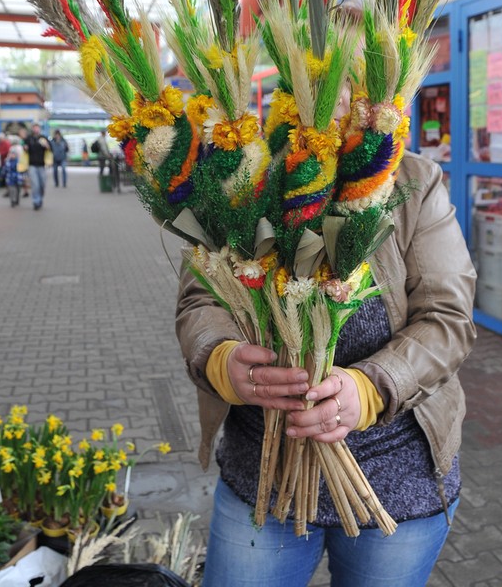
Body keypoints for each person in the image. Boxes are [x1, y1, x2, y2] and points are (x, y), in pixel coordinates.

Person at [175, 152, 476, 587]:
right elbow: (199, 300)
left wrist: (372, 388)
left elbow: (447, 317)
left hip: (396, 481)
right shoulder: (238, 169)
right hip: (261, 474)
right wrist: (222, 360)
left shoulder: (414, 180)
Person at [23, 122, 52, 211]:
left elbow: (51, 148)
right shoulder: (29, 139)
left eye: (37, 128)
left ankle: (40, 198)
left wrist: (47, 146)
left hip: (41, 165)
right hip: (32, 165)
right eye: (34, 128)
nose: (36, 129)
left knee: (42, 184)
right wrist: (25, 148)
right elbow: (24, 148)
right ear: (32, 129)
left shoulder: (43, 138)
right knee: (35, 184)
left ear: (39, 129)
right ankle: (36, 201)